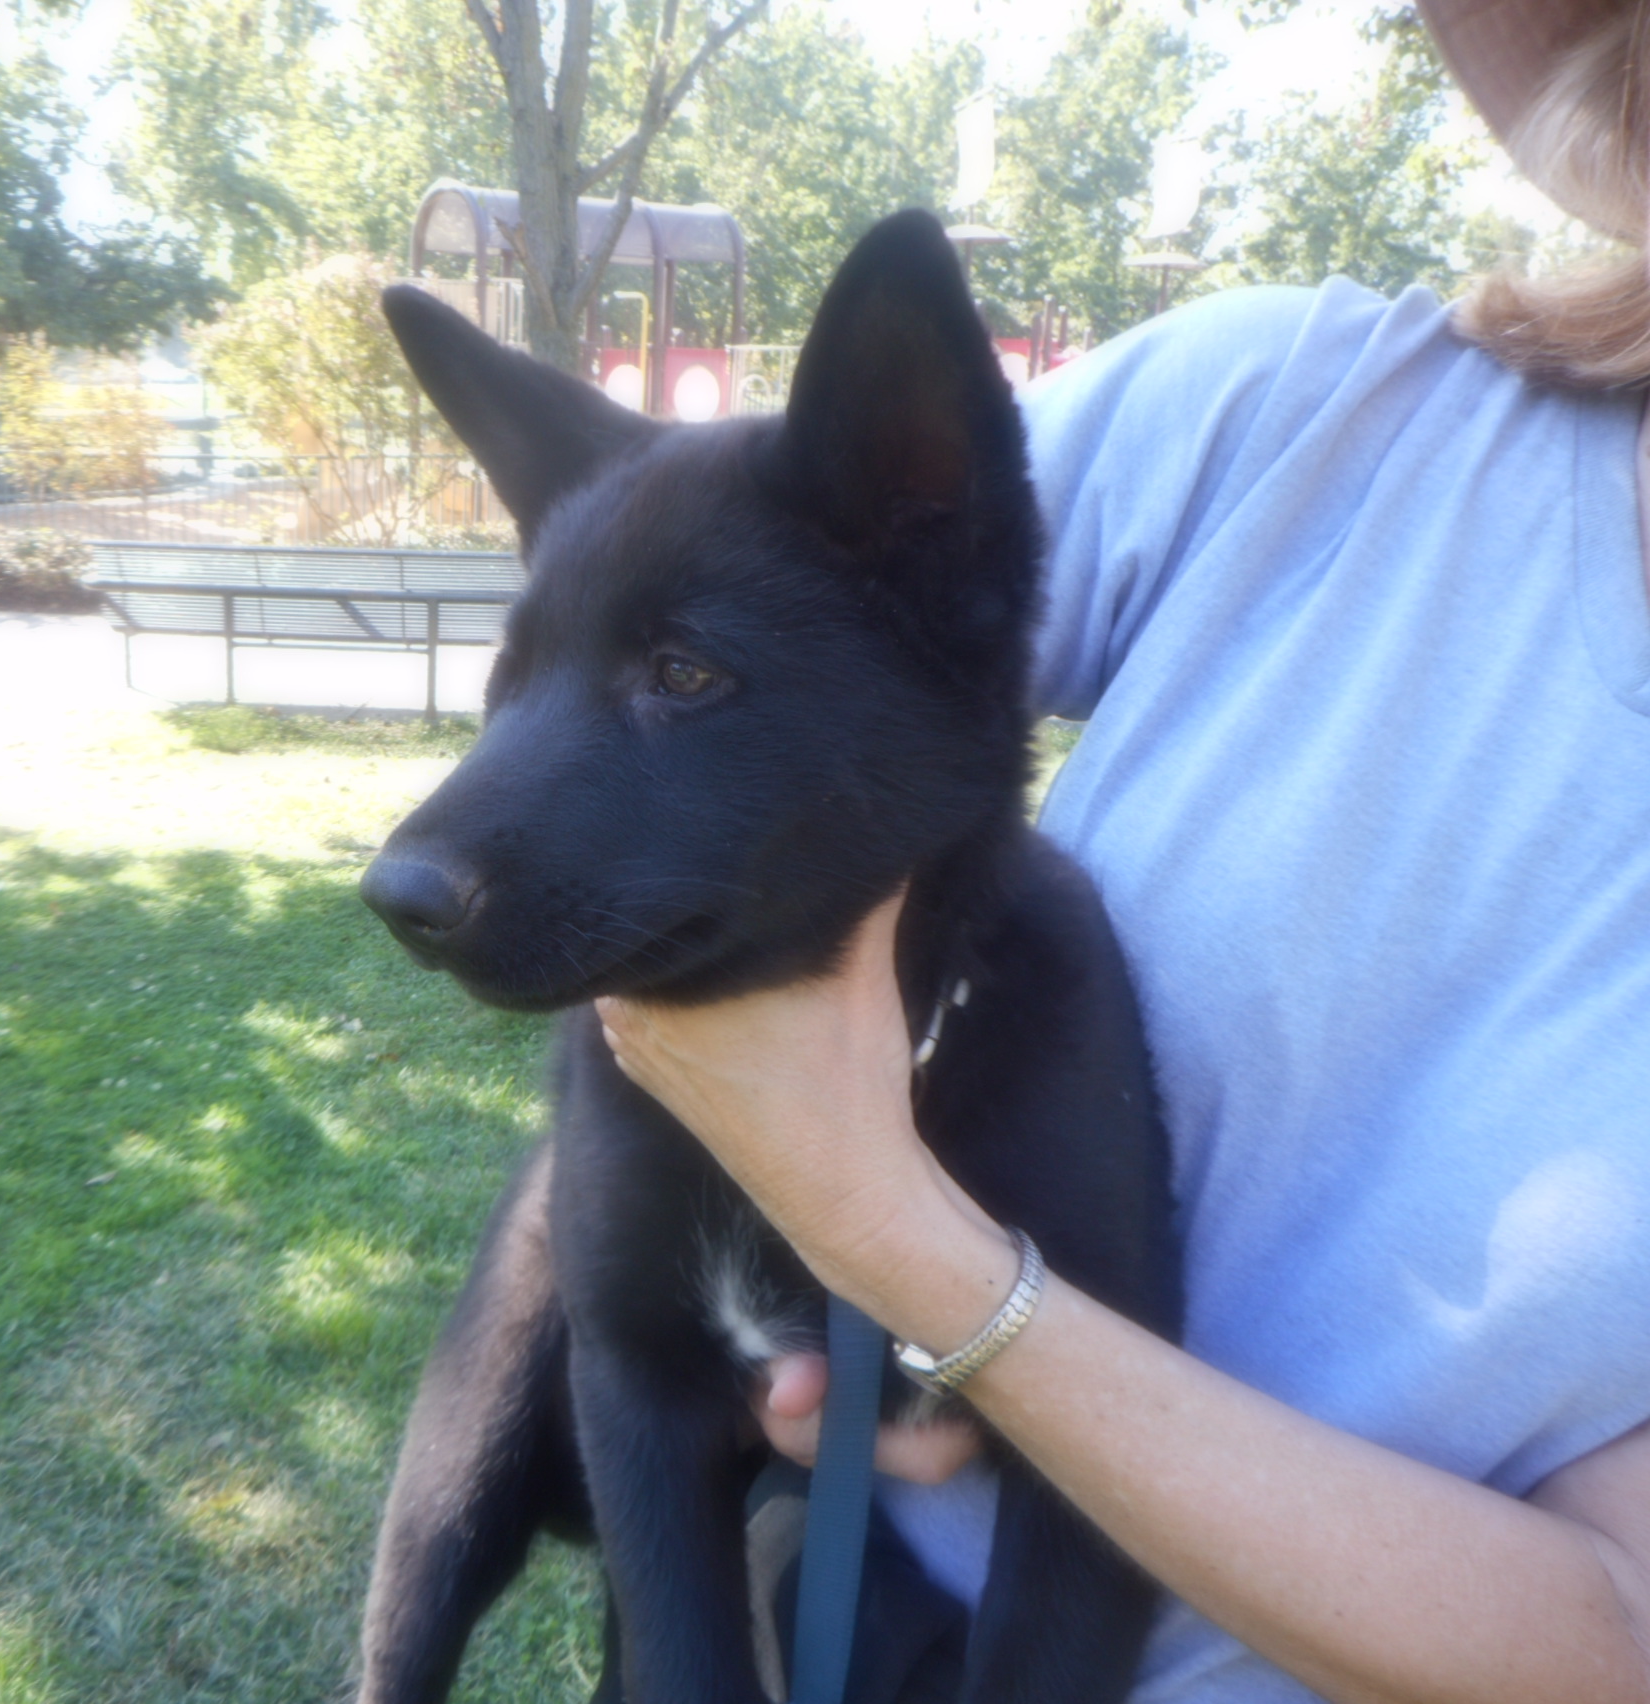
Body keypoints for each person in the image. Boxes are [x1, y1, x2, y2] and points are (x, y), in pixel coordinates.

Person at [594, 4, 1650, 1701]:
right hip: (865, 1600)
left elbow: (1614, 1638)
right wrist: (698, 1279)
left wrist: (923, 1274)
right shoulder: (1313, 416)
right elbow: (720, 656)